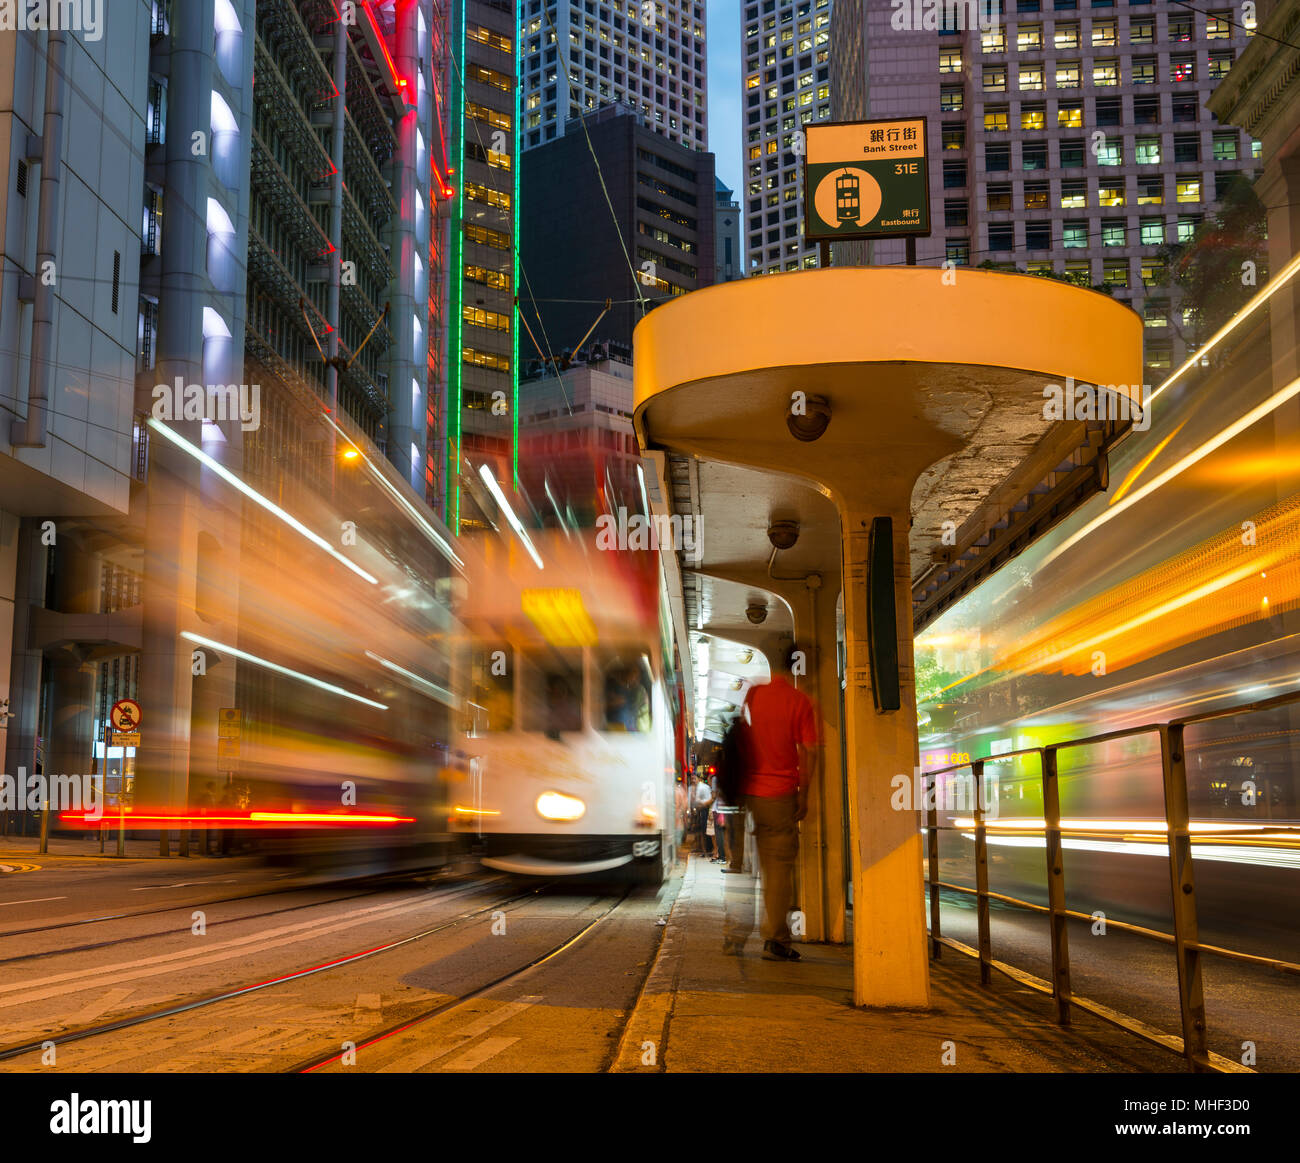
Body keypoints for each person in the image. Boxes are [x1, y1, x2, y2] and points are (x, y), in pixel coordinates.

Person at [739, 642, 820, 962]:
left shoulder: (755, 695)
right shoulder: (800, 701)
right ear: (799, 666)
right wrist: (804, 793)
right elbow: (809, 751)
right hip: (780, 793)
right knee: (779, 870)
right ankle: (776, 939)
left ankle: (774, 934)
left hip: (754, 795)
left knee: (768, 867)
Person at [691, 771, 713, 854]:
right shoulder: (698, 787)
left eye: (694, 778)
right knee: (703, 830)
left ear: (699, 779)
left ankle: (708, 849)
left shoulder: (701, 787)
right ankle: (705, 849)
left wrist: (700, 803)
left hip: (705, 810)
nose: (693, 780)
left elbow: (708, 799)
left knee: (706, 830)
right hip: (702, 810)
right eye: (692, 779)